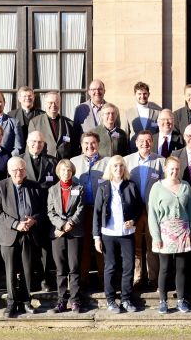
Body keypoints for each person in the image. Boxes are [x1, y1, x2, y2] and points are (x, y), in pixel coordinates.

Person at [0, 157, 46, 318]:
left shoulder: (35, 186)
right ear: (9, 171)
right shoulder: (0, 186)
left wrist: (34, 219)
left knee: (27, 269)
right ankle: (11, 302)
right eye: (15, 170)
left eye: (21, 169)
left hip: (29, 234)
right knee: (10, 271)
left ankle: (25, 300)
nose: (18, 173)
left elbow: (43, 209)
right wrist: (15, 224)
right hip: (9, 234)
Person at [93, 155, 143, 313]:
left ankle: (126, 299)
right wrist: (96, 237)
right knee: (110, 266)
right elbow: (97, 212)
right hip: (108, 233)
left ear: (124, 168)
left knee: (128, 266)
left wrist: (133, 221)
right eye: (115, 166)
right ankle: (110, 300)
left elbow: (139, 207)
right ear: (110, 168)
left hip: (126, 233)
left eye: (121, 166)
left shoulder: (131, 185)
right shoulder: (103, 187)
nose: (118, 169)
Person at [148, 156, 191, 314]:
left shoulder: (185, 186)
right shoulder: (157, 187)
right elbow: (152, 214)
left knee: (181, 268)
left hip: (183, 231)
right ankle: (163, 301)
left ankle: (181, 300)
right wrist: (156, 237)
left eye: (177, 169)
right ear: (165, 169)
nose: (174, 171)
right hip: (165, 232)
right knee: (165, 268)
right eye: (171, 168)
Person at [20, 131, 59, 290]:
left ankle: (45, 279)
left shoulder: (52, 162)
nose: (37, 145)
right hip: (25, 212)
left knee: (45, 248)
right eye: (34, 141)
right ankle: (28, 280)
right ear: (27, 142)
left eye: (40, 142)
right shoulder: (19, 160)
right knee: (28, 249)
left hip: (45, 211)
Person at [126, 130, 165, 286]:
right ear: (136, 143)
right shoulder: (127, 161)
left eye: (148, 140)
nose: (145, 143)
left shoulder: (161, 161)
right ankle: (137, 277)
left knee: (152, 243)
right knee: (135, 245)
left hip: (152, 210)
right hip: (134, 211)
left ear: (152, 142)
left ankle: (152, 277)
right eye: (141, 141)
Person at [47, 159, 86, 313]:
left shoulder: (79, 188)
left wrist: (70, 223)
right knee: (60, 269)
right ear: (58, 172)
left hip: (75, 232)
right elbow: (51, 212)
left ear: (72, 172)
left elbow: (81, 209)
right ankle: (61, 301)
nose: (66, 172)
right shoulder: (52, 190)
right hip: (58, 233)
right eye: (63, 170)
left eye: (69, 170)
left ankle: (75, 301)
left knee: (74, 267)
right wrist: (62, 225)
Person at [69, 132, 107, 289]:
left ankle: (104, 278)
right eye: (86, 143)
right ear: (81, 145)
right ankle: (83, 279)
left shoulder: (108, 162)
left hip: (101, 211)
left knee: (101, 244)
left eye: (93, 143)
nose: (89, 146)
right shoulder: (73, 162)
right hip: (81, 211)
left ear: (98, 144)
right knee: (83, 245)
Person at [28, 92, 77, 160]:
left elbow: (74, 147)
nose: (53, 105)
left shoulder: (69, 123)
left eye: (56, 102)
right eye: (50, 103)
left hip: (63, 163)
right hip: (44, 162)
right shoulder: (35, 123)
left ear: (59, 104)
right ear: (45, 104)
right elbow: (30, 146)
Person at [120, 81, 162, 146]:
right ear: (135, 94)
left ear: (148, 94)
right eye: (139, 94)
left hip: (152, 148)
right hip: (134, 149)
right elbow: (124, 134)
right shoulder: (128, 113)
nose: (142, 96)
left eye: (145, 93)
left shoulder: (157, 112)